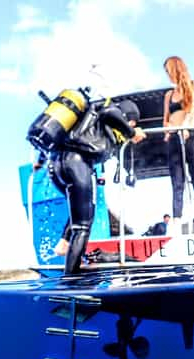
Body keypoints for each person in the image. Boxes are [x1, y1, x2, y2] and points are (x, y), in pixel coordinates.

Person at [45, 98, 146, 274]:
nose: (131, 124)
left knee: (80, 209)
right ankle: (71, 279)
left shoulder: (93, 124)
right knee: (83, 226)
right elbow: (109, 113)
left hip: (58, 165)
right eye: (131, 121)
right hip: (76, 163)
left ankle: (63, 245)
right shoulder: (110, 112)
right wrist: (131, 131)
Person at [162, 56, 194, 234]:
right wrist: (168, 130)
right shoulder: (169, 95)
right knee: (177, 183)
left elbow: (193, 108)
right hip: (175, 138)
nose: (168, 75)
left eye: (169, 70)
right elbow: (166, 118)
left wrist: (186, 126)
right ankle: (176, 222)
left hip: (193, 136)